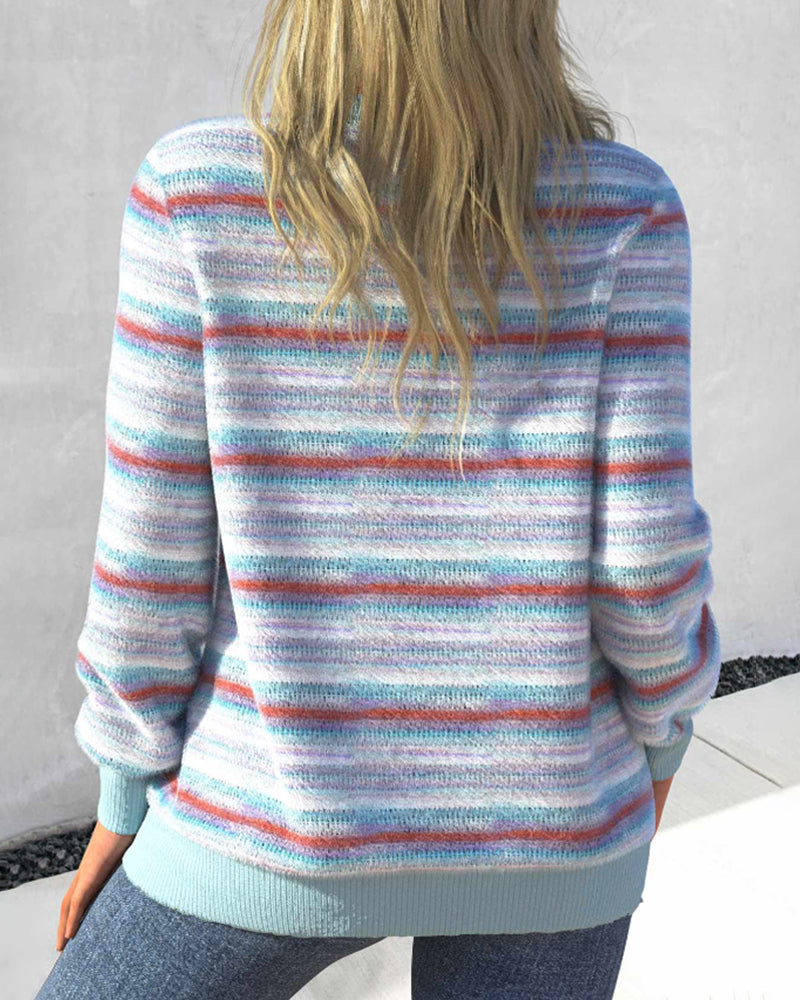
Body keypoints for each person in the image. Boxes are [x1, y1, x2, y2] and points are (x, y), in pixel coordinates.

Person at [35, 0, 721, 997]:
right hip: (554, 824)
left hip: (267, 818)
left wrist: (125, 789)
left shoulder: (199, 194)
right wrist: (663, 740)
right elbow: (643, 564)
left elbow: (151, 559)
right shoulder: (626, 208)